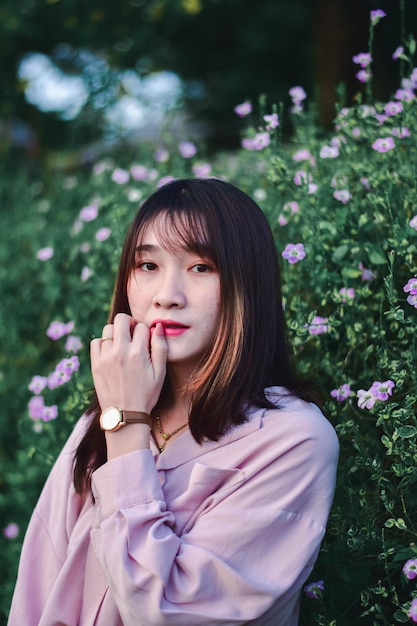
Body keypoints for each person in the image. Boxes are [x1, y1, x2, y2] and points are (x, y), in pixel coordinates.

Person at [8, 178, 339, 626]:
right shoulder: (101, 418)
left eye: (201, 267)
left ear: (248, 282)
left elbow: (164, 612)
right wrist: (122, 416)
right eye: (147, 265)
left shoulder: (293, 440)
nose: (167, 294)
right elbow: (38, 586)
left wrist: (126, 426)